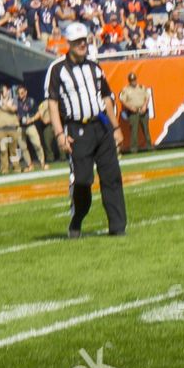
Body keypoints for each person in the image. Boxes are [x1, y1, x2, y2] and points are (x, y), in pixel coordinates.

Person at [46, 22, 126, 237]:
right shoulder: (57, 69)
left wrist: (115, 127)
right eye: (78, 41)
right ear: (69, 43)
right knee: (82, 181)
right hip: (76, 129)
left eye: (85, 41)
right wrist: (60, 134)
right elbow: (52, 103)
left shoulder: (94, 67)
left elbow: (106, 97)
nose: (83, 44)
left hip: (100, 126)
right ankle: (77, 217)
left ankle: (118, 228)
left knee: (112, 177)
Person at [117, 71, 153, 152]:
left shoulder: (141, 87)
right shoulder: (126, 89)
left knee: (146, 129)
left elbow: (147, 97)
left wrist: (145, 106)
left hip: (143, 109)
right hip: (133, 111)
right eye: (131, 80)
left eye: (134, 80)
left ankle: (149, 146)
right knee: (134, 130)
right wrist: (130, 107)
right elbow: (123, 100)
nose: (133, 81)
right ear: (129, 81)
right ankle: (134, 149)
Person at [0, 88, 22, 174]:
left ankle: (17, 167)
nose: (2, 92)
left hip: (12, 128)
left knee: (14, 149)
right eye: (1, 91)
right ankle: (5, 169)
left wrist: (4, 103)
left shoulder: (13, 100)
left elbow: (14, 109)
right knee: (3, 150)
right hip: (1, 129)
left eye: (3, 90)